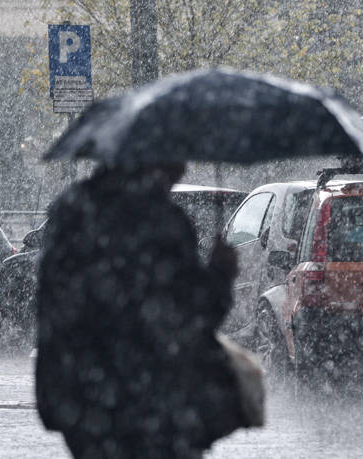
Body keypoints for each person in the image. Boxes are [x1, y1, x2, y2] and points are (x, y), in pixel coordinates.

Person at [35, 161, 252, 458]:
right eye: (176, 156)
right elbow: (196, 316)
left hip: (79, 399)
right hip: (150, 406)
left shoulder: (70, 210)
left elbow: (53, 306)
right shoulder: (163, 222)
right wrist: (221, 273)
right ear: (153, 159)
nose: (183, 168)